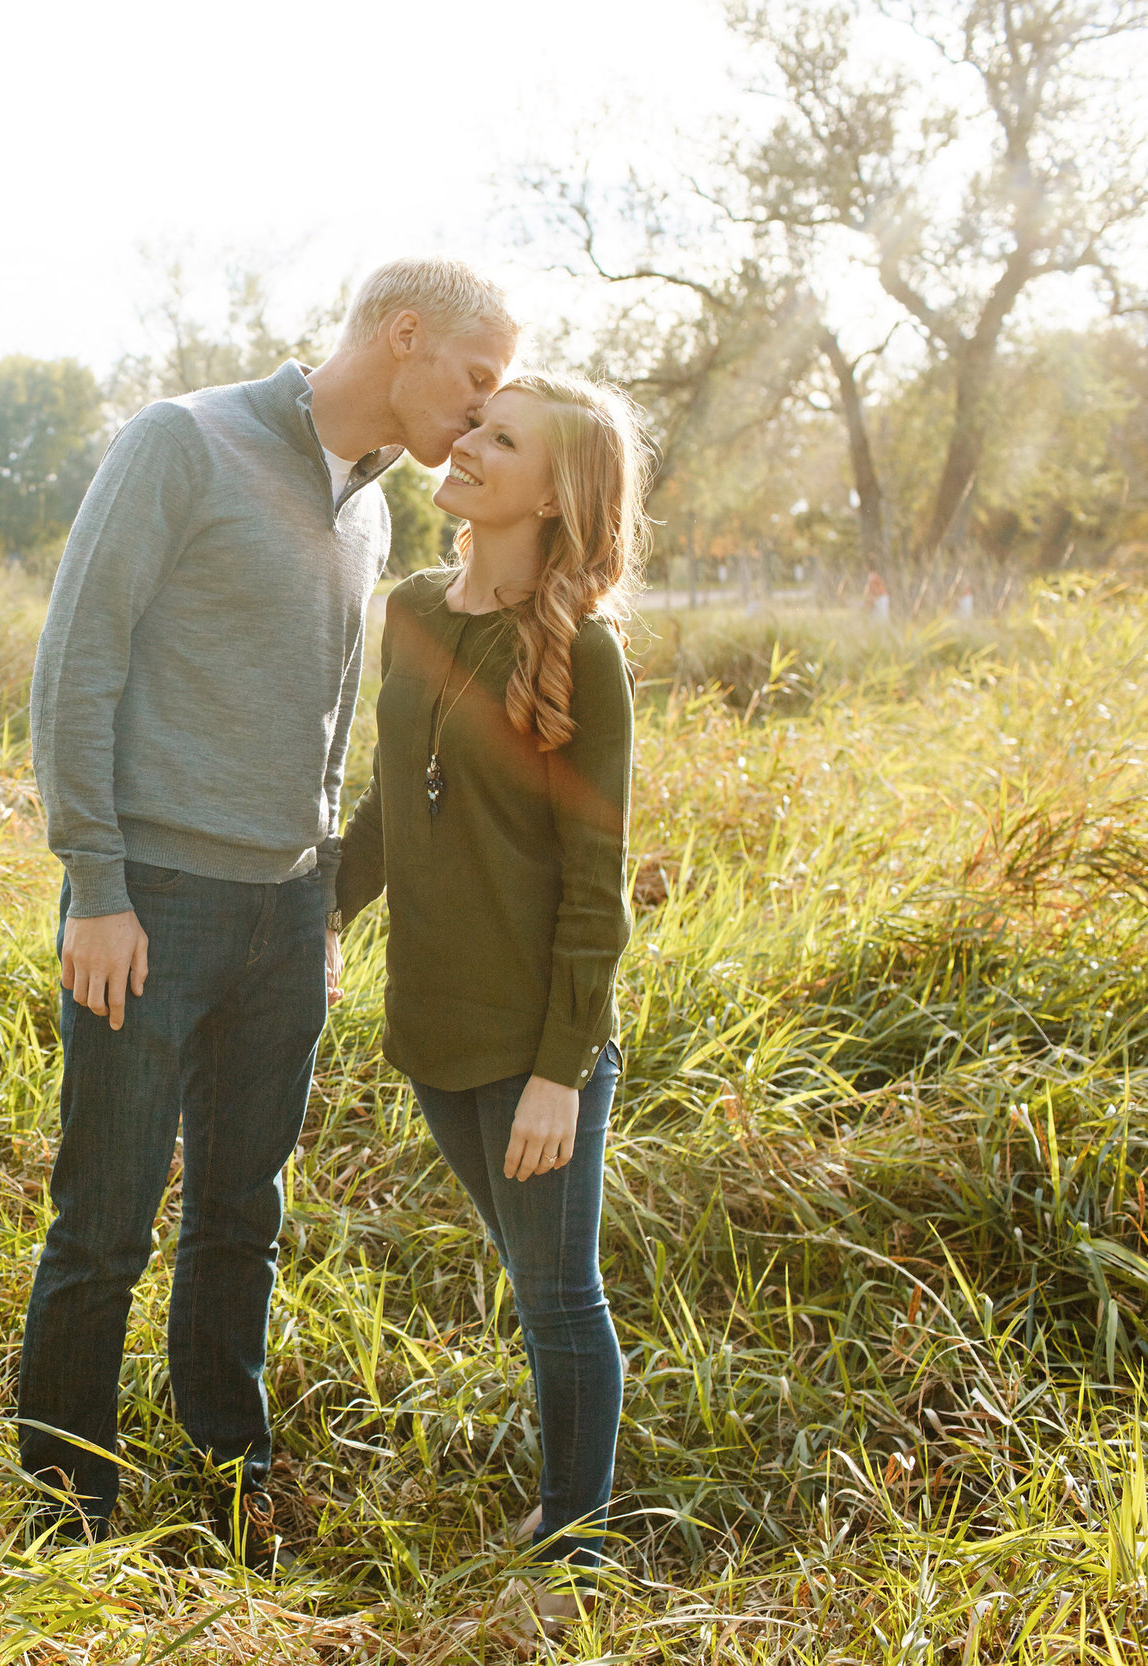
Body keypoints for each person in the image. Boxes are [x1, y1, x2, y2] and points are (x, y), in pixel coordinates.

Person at [20, 257, 520, 1569]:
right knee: (107, 1222)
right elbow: (79, 662)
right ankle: (66, 1508)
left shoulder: (372, 515)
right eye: (477, 380)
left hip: (287, 916)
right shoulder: (181, 442)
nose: (480, 415)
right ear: (404, 336)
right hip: (156, 911)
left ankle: (225, 1467)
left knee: (243, 1211)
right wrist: (97, 884)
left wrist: (325, 914)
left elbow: (331, 723)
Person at [333, 370, 648, 1634]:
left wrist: (562, 1071)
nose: (465, 446)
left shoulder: (583, 656)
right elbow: (385, 809)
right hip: (432, 1023)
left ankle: (577, 1533)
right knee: (526, 1274)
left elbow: (596, 884)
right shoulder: (409, 606)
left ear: (552, 493)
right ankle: (569, 1496)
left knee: (557, 1289)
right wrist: (311, 916)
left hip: (535, 1044)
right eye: (477, 424)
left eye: (500, 440)